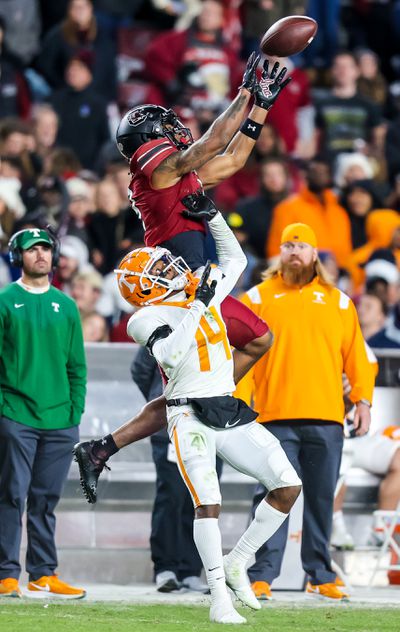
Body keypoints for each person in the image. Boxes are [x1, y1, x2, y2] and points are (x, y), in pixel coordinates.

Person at [73, 54, 290, 499]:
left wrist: (262, 106)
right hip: (177, 291)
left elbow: (230, 161)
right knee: (239, 354)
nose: (177, 130)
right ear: (149, 138)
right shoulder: (151, 169)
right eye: (167, 126)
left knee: (228, 364)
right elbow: (209, 145)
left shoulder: (175, 176)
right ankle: (113, 443)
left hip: (197, 285)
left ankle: (103, 447)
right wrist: (247, 94)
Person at [101, 200, 301, 623]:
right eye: (158, 270)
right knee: (208, 501)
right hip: (186, 413)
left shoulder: (195, 287)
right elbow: (171, 356)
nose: (169, 267)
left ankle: (237, 561)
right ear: (146, 288)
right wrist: (198, 305)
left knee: (287, 486)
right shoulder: (146, 317)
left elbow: (236, 258)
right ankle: (217, 598)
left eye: (164, 263)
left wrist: (212, 217)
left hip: (224, 404)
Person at [235, 222, 375, 601]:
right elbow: (239, 357)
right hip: (271, 416)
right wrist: (241, 402)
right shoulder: (257, 297)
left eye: (301, 245)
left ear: (315, 254)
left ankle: (319, 573)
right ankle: (262, 574)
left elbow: (358, 359)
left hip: (325, 416)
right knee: (270, 496)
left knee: (320, 499)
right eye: (287, 245)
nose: (294, 251)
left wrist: (362, 400)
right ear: (279, 253)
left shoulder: (340, 302)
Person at [0, 227, 86, 598]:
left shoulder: (66, 306)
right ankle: (6, 574)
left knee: (45, 500)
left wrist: (75, 412)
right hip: (15, 414)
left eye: (46, 249)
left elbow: (76, 367)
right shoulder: (4, 301)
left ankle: (42, 573)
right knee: (10, 496)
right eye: (32, 249)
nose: (41, 255)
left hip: (60, 421)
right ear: (18, 256)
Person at [131, 346, 208, 594]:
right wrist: (160, 405)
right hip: (172, 424)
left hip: (208, 425)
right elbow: (140, 369)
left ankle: (190, 570)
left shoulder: (216, 324)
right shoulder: (163, 325)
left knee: (201, 498)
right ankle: (166, 568)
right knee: (171, 495)